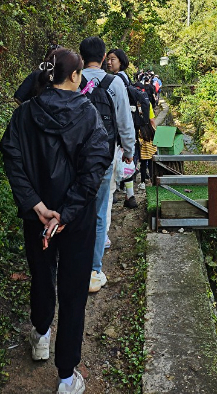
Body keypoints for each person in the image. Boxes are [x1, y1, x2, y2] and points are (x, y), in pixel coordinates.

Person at [0, 47, 111, 394]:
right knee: (74, 291)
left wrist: (36, 205)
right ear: (75, 76)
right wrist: (67, 212)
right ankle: (66, 377)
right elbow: (94, 168)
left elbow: (12, 158)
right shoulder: (89, 115)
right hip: (75, 222)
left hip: (38, 219)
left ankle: (41, 335)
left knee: (41, 276)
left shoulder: (24, 116)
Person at [79, 37, 135, 294]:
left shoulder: (72, 80)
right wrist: (129, 151)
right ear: (103, 58)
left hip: (74, 157)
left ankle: (70, 264)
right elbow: (124, 122)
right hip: (104, 155)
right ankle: (93, 270)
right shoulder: (114, 83)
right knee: (100, 211)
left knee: (76, 208)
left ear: (81, 58)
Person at [106, 48, 157, 192]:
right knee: (129, 156)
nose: (109, 62)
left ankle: (125, 192)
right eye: (108, 59)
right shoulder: (125, 78)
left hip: (122, 123)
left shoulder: (117, 79)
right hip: (131, 122)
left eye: (112, 59)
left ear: (121, 62)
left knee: (123, 156)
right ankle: (129, 193)